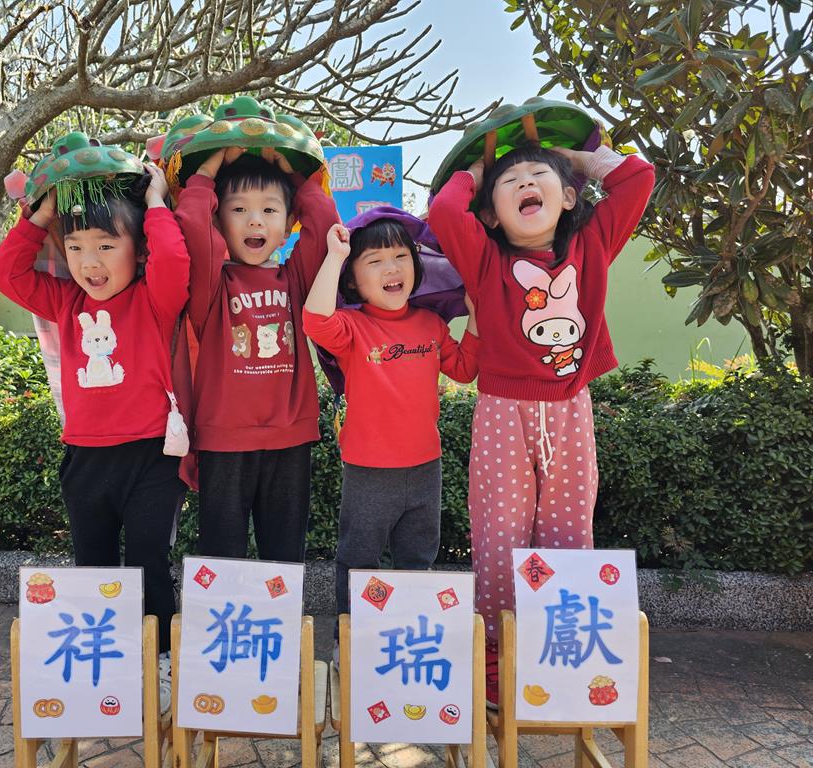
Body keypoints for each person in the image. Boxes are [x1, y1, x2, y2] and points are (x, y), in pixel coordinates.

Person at [428, 141, 654, 706]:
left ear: (569, 197)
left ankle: (559, 659)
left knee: (568, 532)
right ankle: (494, 660)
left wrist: (574, 158)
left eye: (539, 175)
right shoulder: (485, 261)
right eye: (510, 182)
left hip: (571, 406)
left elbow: (637, 179)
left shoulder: (592, 244)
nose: (525, 182)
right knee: (499, 535)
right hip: (502, 409)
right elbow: (444, 211)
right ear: (490, 214)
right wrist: (477, 170)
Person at [0, 143, 188, 713]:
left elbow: (176, 263)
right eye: (75, 247)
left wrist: (156, 204)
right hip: (85, 458)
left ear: (138, 249)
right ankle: (106, 666)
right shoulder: (64, 301)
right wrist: (41, 217)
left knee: (150, 562)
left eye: (106, 245)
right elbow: (5, 273)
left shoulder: (155, 299)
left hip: (152, 457)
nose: (90, 261)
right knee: (92, 566)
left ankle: (161, 659)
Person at [302, 211, 480, 661]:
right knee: (358, 560)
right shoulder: (352, 327)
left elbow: (464, 369)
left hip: (425, 468)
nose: (391, 268)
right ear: (353, 280)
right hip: (368, 471)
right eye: (375, 261)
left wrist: (476, 315)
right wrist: (335, 256)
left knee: (417, 561)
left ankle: (407, 645)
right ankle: (349, 643)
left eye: (401, 256)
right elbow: (315, 321)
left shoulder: (430, 324)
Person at [174, 146, 338, 563]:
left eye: (269, 210)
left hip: (290, 437)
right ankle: (223, 613)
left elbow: (323, 224)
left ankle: (279, 617)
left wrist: (293, 174)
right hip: (224, 440)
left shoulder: (296, 279)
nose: (255, 220)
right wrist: (208, 169)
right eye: (239, 209)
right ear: (218, 221)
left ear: (287, 226)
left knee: (284, 557)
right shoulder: (210, 285)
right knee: (221, 556)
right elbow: (191, 225)